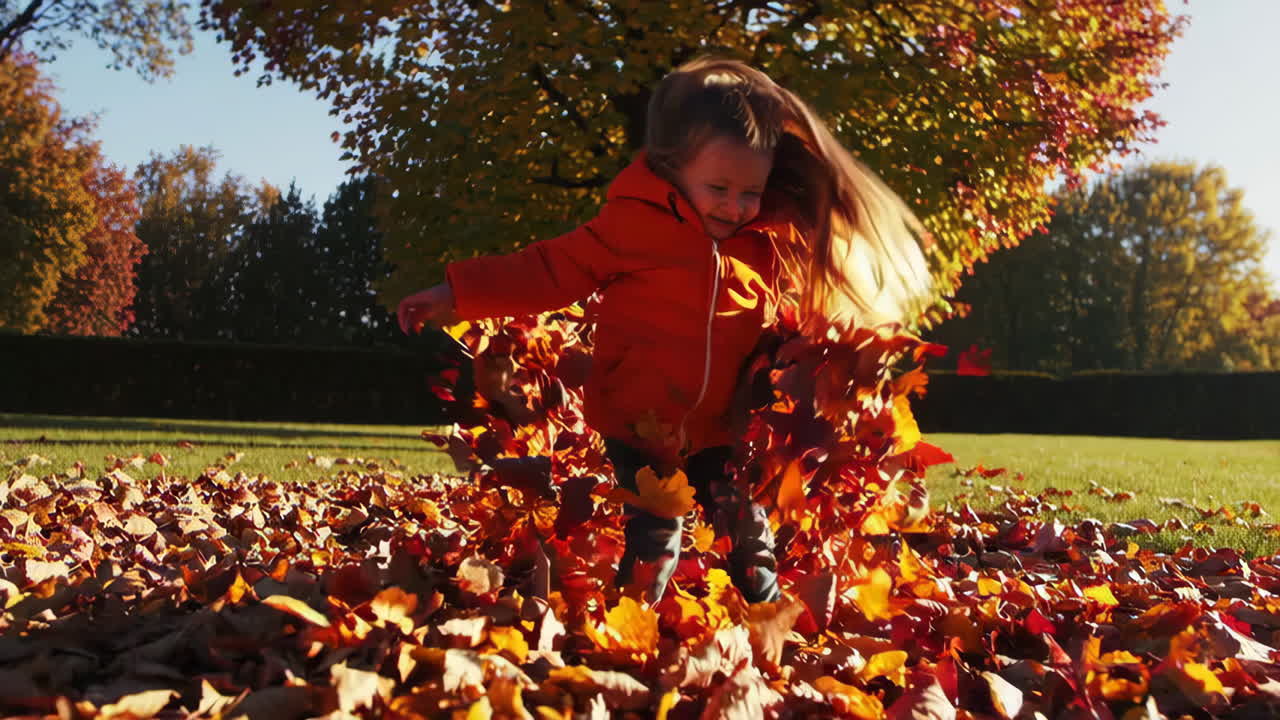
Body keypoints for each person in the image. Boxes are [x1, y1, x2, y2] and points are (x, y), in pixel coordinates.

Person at [398, 58, 933, 604]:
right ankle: (631, 625)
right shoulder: (632, 225)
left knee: (746, 533)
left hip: (720, 426)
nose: (735, 205)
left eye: (751, 191)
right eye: (718, 187)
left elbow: (787, 321)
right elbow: (549, 270)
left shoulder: (763, 241)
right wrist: (457, 293)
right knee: (658, 535)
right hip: (638, 419)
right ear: (675, 167)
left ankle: (768, 618)